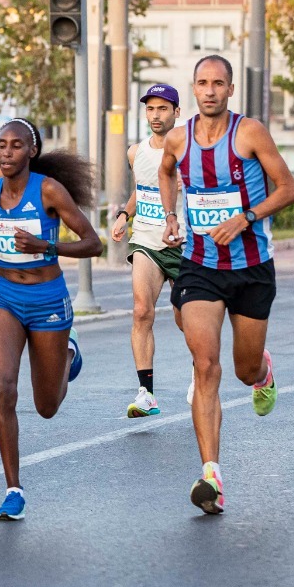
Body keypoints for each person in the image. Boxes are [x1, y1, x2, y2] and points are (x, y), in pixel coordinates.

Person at [158, 54, 294, 515]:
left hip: (252, 265)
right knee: (205, 365)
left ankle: (263, 371)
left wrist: (246, 217)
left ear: (230, 89)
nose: (211, 90)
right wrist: (171, 215)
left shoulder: (250, 132)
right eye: (202, 82)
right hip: (201, 265)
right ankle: (211, 474)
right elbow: (165, 172)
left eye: (219, 83)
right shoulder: (178, 139)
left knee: (243, 369)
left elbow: (289, 188)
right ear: (193, 89)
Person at [0, 117, 101, 521]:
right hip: (3, 297)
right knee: (3, 387)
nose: (6, 152)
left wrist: (46, 245)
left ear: (32, 151)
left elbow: (93, 242)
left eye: (16, 145)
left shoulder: (49, 191)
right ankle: (13, 489)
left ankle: (68, 353)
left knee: (47, 406)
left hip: (47, 299)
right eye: (1, 144)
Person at [109, 83, 185, 419]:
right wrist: (125, 215)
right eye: (151, 109)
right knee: (142, 312)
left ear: (176, 113)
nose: (156, 115)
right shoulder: (135, 151)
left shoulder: (188, 149)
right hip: (147, 241)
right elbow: (142, 191)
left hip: (185, 245)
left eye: (163, 109)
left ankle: (201, 374)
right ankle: (146, 393)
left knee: (190, 322)